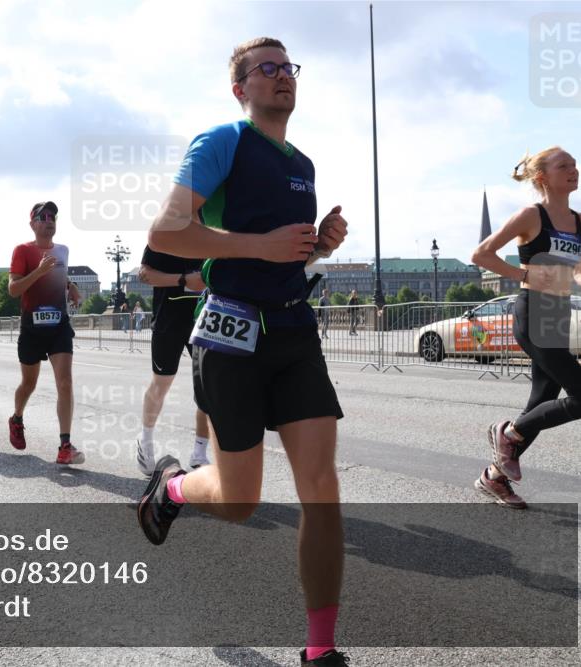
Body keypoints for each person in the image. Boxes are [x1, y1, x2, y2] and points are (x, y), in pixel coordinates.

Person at [137, 37, 350, 667]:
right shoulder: (222, 141)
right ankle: (172, 490)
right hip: (229, 334)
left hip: (293, 331)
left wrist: (321, 247)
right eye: (269, 69)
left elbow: (289, 252)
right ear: (241, 88)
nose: (283, 77)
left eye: (289, 68)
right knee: (240, 501)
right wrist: (261, 246)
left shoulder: (303, 165)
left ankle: (320, 649)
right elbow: (167, 232)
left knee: (322, 487)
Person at [470, 147, 581, 509]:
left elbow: (580, 273)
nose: (574, 170)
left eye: (575, 164)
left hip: (559, 311)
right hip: (532, 312)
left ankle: (493, 478)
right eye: (564, 166)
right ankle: (507, 431)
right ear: (542, 177)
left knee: (541, 403)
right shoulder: (531, 216)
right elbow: (481, 254)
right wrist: (523, 273)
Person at [7, 201, 85, 465]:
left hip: (59, 326)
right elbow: (14, 289)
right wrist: (38, 271)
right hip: (32, 326)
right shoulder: (23, 251)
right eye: (43, 217)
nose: (49, 220)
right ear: (32, 224)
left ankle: (65, 445)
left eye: (53, 216)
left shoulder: (63, 250)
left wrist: (71, 286)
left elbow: (59, 274)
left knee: (65, 382)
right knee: (28, 384)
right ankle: (17, 417)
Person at [135, 245, 213, 472]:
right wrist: (184, 280)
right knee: (161, 383)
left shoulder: (213, 227)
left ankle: (199, 453)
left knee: (209, 385)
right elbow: (145, 274)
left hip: (204, 318)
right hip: (168, 319)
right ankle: (145, 439)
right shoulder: (164, 232)